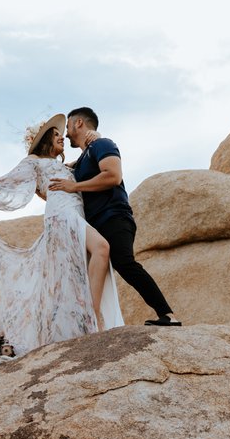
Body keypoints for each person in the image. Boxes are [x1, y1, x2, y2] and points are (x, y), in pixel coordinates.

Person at [0, 114, 123, 356]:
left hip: (74, 214)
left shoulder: (64, 167)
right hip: (61, 215)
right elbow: (13, 177)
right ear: (45, 139)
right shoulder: (34, 161)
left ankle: (85, 319)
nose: (62, 138)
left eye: (62, 134)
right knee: (101, 248)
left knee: (74, 272)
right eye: (56, 135)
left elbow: (86, 161)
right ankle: (92, 316)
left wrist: (96, 137)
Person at [49, 107, 181, 326]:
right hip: (96, 224)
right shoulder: (82, 159)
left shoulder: (102, 144)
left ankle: (168, 315)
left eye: (68, 126)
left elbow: (113, 175)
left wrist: (75, 187)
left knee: (125, 263)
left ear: (79, 123)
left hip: (113, 216)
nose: (66, 133)